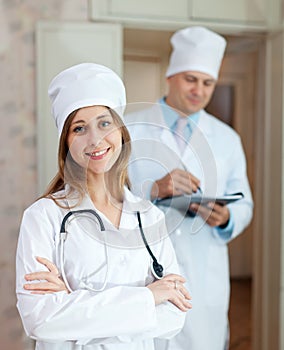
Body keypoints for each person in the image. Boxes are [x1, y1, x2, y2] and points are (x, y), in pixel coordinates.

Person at [15, 63, 192, 350]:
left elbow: (174, 316)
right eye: (79, 128)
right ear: (66, 142)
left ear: (121, 131)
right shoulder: (42, 217)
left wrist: (72, 306)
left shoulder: (149, 218)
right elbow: (40, 320)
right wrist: (148, 298)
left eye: (104, 123)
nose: (95, 139)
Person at [125, 26, 253, 350]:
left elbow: (245, 203)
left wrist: (226, 217)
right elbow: (108, 198)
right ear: (170, 76)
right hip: (143, 273)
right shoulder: (131, 128)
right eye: (190, 79)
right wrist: (154, 190)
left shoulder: (227, 138)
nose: (199, 90)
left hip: (203, 271)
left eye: (207, 82)